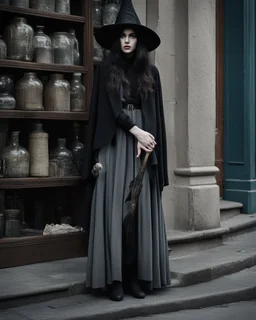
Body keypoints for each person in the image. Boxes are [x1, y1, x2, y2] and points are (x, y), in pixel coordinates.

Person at [82, 0, 171, 302]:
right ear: (117, 39)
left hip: (141, 145)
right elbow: (110, 108)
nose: (127, 41)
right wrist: (134, 131)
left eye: (132, 36)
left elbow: (154, 113)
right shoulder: (108, 67)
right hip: (116, 144)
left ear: (139, 40)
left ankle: (136, 276)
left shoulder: (151, 72)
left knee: (139, 211)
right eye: (123, 36)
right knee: (115, 210)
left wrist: (146, 139)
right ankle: (115, 278)